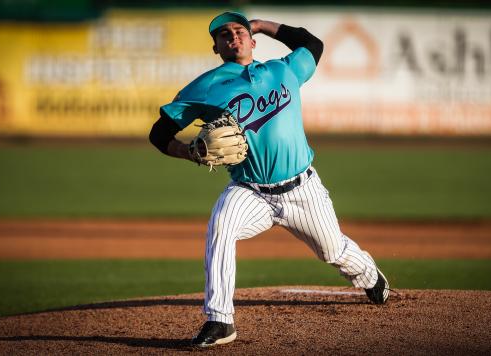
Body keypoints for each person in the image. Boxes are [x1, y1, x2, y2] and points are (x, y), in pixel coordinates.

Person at [149, 11, 390, 348]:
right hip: (249, 190)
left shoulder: (282, 70)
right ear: (216, 47)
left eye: (240, 31)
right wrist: (188, 151)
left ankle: (369, 275)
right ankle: (220, 320)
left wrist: (264, 24)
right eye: (224, 35)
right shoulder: (205, 87)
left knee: (332, 250)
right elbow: (159, 133)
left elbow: (312, 44)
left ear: (252, 40)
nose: (233, 37)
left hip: (303, 189)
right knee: (221, 225)